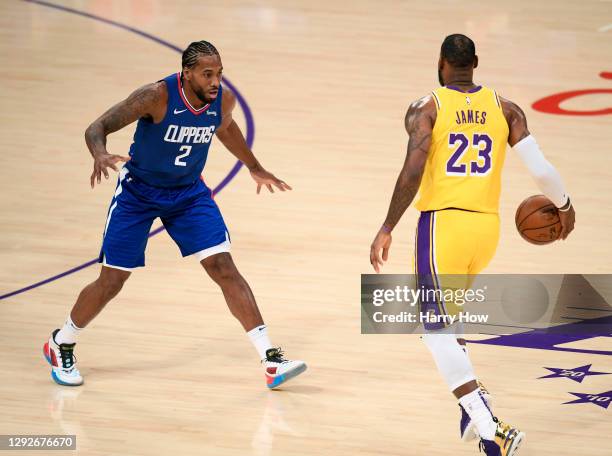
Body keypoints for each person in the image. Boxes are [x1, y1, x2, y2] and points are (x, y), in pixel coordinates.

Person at [43, 40, 307, 390]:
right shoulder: (156, 96)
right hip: (138, 194)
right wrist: (100, 153)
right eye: (207, 74)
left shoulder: (221, 100)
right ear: (187, 74)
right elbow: (97, 127)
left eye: (219, 73)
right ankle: (62, 340)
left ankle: (271, 359)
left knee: (223, 267)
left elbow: (225, 127)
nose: (215, 81)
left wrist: (255, 167)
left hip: (187, 195)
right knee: (112, 281)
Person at [369, 34, 575, 455]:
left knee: (434, 329)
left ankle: (488, 424)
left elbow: (412, 171)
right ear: (475, 62)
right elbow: (540, 169)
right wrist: (565, 204)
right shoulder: (506, 108)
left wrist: (388, 224)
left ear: (442, 63)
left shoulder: (426, 107)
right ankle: (472, 409)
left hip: (443, 225)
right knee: (450, 320)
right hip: (487, 230)